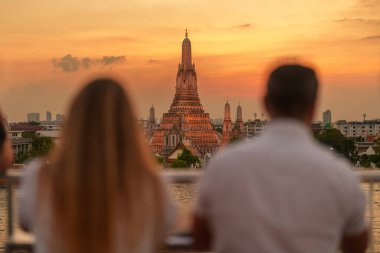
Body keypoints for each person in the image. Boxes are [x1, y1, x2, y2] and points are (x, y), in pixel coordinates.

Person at [193, 64, 367, 253]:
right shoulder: (341, 175)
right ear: (314, 107)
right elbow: (357, 245)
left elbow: (201, 238)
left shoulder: (223, 166)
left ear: (266, 104)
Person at [19, 78, 176, 253]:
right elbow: (169, 225)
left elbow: (25, 223)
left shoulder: (39, 178)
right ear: (129, 127)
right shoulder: (152, 184)